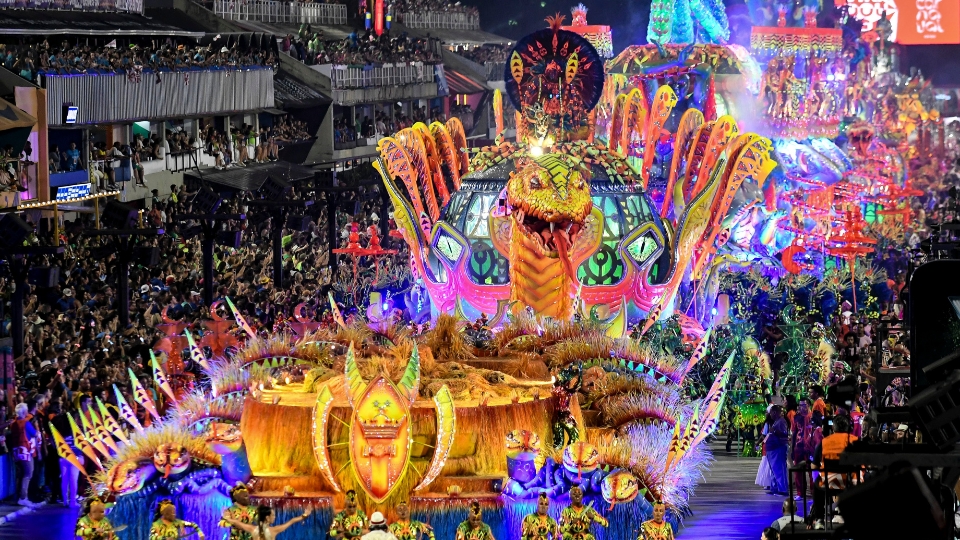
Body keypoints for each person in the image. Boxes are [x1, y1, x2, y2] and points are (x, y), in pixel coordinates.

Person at [220, 504, 311, 540]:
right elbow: (292, 521)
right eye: (273, 515)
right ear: (267, 518)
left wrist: (227, 518)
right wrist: (305, 515)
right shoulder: (274, 530)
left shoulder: (252, 529)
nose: (275, 517)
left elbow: (237, 523)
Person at [10, 402, 38, 506]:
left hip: (16, 451)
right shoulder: (26, 423)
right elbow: (35, 434)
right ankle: (23, 497)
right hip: (25, 451)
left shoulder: (13, 423)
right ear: (24, 411)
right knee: (28, 473)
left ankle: (19, 496)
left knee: (21, 474)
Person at [762, 405, 790, 495]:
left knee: (779, 470)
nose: (770, 414)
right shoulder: (776, 421)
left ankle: (782, 490)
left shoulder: (781, 421)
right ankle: (775, 488)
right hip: (772, 448)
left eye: (770, 413)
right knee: (774, 470)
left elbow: (785, 434)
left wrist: (774, 431)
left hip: (778, 448)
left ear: (774, 412)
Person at [790, 398, 814, 499]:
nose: (801, 407)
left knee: (812, 472)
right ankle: (800, 493)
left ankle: (814, 492)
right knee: (798, 472)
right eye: (800, 405)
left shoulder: (813, 416)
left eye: (804, 405)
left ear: (808, 405)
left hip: (810, 448)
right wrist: (792, 449)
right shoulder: (796, 417)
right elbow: (794, 433)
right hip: (798, 448)